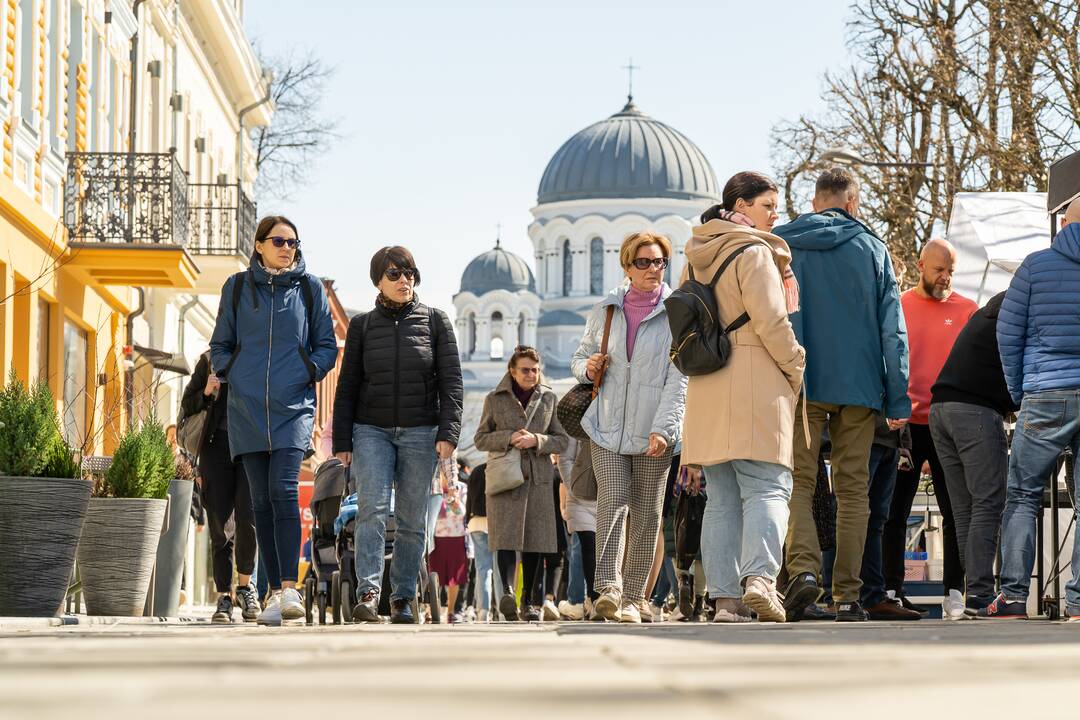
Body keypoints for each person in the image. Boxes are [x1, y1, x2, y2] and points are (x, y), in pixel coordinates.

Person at [773, 167, 910, 622]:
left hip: (803, 383)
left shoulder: (783, 246)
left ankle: (805, 576)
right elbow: (894, 331)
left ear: (816, 203)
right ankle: (849, 595)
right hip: (859, 387)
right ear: (852, 203)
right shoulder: (873, 249)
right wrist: (897, 398)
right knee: (854, 492)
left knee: (799, 480)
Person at [680, 172, 805, 623]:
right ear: (741, 205)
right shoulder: (754, 252)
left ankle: (725, 600)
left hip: (708, 382)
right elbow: (772, 321)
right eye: (768, 205)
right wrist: (796, 366)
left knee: (722, 498)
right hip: (755, 376)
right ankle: (761, 580)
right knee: (768, 485)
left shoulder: (696, 256)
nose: (776, 214)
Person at [210, 215, 338, 626]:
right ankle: (270, 592)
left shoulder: (309, 288)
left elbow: (326, 346)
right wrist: (232, 371)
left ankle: (288, 588)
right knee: (260, 502)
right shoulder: (236, 288)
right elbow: (221, 344)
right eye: (279, 241)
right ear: (259, 244)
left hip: (292, 408)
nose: (287, 248)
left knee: (283, 491)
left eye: (293, 242)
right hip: (246, 409)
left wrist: (308, 370)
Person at [333, 246, 463, 625]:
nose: (404, 280)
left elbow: (452, 383)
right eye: (394, 274)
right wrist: (343, 441)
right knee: (371, 510)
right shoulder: (362, 326)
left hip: (421, 432)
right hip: (370, 429)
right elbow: (348, 386)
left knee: (410, 519)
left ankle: (403, 597)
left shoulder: (436, 322)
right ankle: (369, 594)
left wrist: (448, 432)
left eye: (410, 273)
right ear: (378, 280)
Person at [570, 232, 687, 623]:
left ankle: (635, 597)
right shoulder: (606, 309)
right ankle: (609, 588)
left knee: (648, 513)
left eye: (659, 262)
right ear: (626, 267)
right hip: (607, 427)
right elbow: (581, 356)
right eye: (644, 262)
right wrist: (587, 368)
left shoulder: (676, 312)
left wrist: (665, 429)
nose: (653, 269)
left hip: (654, 431)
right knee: (614, 499)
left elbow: (679, 378)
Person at [980, 198, 1080, 619]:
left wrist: (1020, 392)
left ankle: (1015, 597)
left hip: (1046, 394)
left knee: (1021, 495)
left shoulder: (1036, 266)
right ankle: (1078, 602)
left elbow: (1008, 333)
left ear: (1062, 222)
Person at [883, 239, 977, 620]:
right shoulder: (900, 306)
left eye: (951, 271)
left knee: (956, 510)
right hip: (906, 424)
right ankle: (891, 588)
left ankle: (955, 591)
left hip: (948, 423)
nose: (945, 278)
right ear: (921, 264)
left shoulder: (968, 310)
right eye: (939, 269)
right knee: (894, 510)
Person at [929, 291, 1018, 616]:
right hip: (974, 411)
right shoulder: (1017, 319)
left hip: (940, 409)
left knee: (965, 508)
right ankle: (981, 593)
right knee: (988, 501)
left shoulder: (988, 313)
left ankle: (974, 593)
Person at [474, 345, 569, 622]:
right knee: (505, 538)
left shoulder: (549, 398)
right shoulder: (495, 399)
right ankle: (506, 594)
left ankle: (529, 601)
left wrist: (537, 440)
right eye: (525, 370)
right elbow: (480, 438)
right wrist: (509, 437)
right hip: (506, 479)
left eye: (535, 370)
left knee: (535, 543)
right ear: (512, 371)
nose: (531, 375)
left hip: (538, 479)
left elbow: (561, 440)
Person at [180, 351, 260, 624]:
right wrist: (206, 390)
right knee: (219, 524)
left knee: (249, 518)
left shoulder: (257, 354)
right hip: (215, 450)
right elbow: (187, 406)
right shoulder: (208, 359)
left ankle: (246, 588)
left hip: (250, 448)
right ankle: (224, 596)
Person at [860, 417, 921, 620]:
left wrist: (903, 443)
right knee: (854, 515)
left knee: (877, 521)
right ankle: (842, 596)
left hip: (890, 440)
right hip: (862, 433)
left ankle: (873, 596)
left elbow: (902, 391)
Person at [559, 439, 599, 621]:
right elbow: (565, 458)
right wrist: (573, 487)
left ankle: (586, 599)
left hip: (606, 493)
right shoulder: (575, 420)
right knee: (585, 545)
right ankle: (588, 599)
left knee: (599, 549)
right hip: (579, 497)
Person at [430, 477, 468, 622]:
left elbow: (461, 512)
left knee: (454, 577)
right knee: (434, 575)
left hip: (456, 537)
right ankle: (432, 611)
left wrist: (452, 498)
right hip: (436, 537)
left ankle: (451, 611)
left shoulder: (461, 488)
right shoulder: (434, 487)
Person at [465, 462, 494, 622]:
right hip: (495, 521)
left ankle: (483, 609)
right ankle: (500, 608)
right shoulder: (499, 468)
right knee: (498, 567)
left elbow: (469, 498)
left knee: (482, 568)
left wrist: (467, 519)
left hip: (476, 521)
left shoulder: (476, 471)